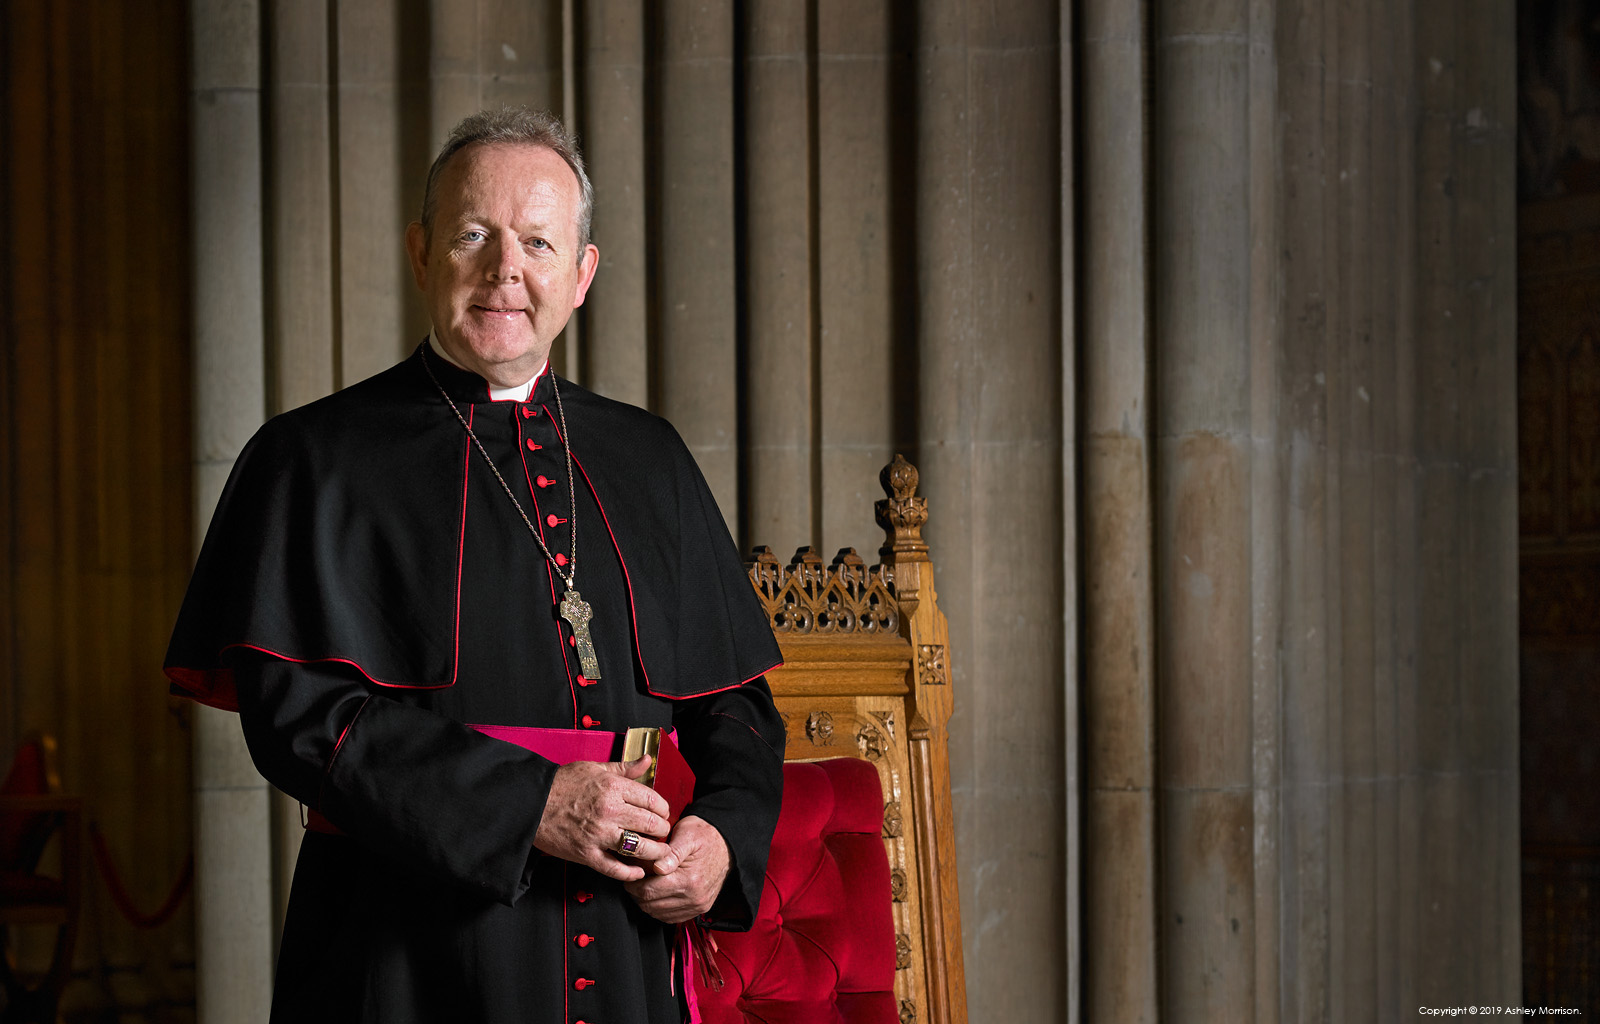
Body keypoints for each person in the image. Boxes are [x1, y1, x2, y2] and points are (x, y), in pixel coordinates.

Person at [164, 107, 785, 1024]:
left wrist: (723, 842)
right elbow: (296, 720)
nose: (506, 270)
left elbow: (736, 709)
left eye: (539, 241)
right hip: (403, 953)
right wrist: (533, 803)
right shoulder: (313, 459)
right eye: (472, 234)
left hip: (623, 944)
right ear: (421, 253)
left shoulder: (650, 459)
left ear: (582, 274)